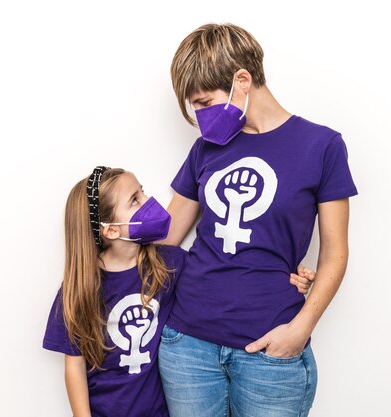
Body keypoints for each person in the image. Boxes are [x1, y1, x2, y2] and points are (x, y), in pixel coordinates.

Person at [158, 23, 358, 417]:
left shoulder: (322, 146)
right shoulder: (207, 150)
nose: (200, 115)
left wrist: (300, 329)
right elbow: (166, 237)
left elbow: (335, 253)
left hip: (270, 352)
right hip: (188, 347)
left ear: (242, 80)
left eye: (203, 101)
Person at [42, 167, 315, 417]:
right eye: (135, 200)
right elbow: (74, 365)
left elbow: (221, 272)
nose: (149, 201)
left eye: (142, 190)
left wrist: (285, 270)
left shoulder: (168, 264)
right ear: (111, 230)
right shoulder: (80, 289)